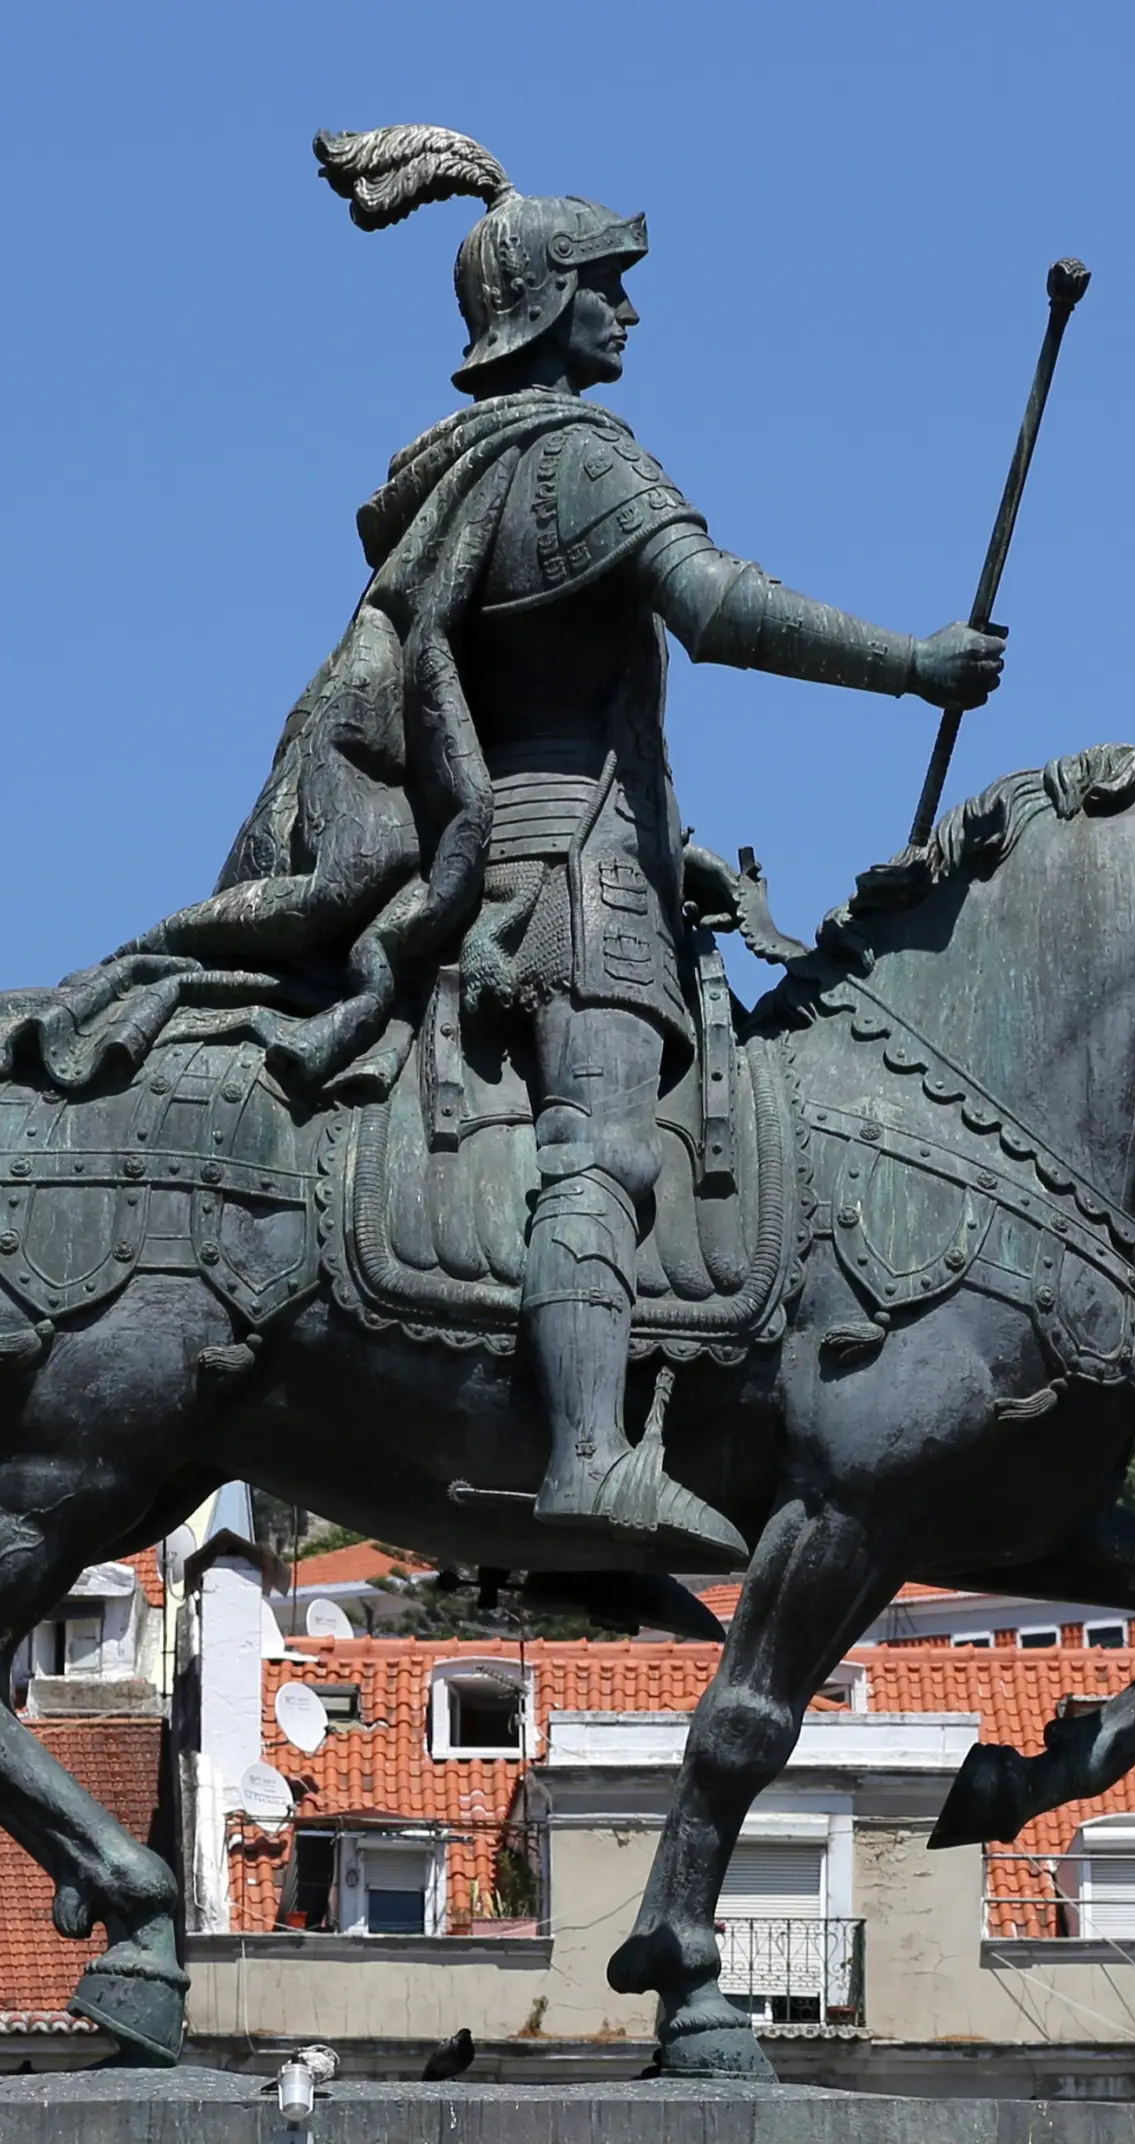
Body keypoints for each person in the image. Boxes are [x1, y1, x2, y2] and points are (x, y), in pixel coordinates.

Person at [133, 123, 1003, 1570]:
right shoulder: (578, 460)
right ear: (546, 301)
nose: (631, 309)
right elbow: (714, 610)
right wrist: (914, 665)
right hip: (571, 885)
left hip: (580, 854)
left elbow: (570, 710)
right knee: (597, 1151)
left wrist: (686, 855)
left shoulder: (469, 471)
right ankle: (594, 1452)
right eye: (609, 282)